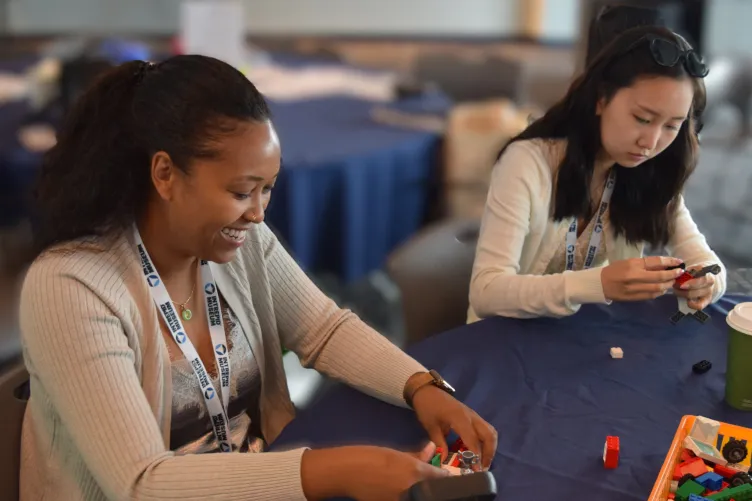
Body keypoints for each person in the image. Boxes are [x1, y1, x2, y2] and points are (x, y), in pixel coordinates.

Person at [19, 55, 497, 501]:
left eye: (268, 189)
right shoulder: (71, 286)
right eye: (242, 191)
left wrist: (421, 386)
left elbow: (322, 328)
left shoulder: (235, 241)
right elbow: (143, 483)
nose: (258, 213)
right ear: (164, 174)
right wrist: (336, 470)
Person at [468, 25, 726, 321]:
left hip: (585, 338)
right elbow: (486, 292)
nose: (651, 143)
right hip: (503, 339)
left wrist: (704, 283)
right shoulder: (528, 163)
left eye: (671, 126)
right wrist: (598, 284)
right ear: (601, 98)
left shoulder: (649, 171)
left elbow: (708, 264)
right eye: (642, 118)